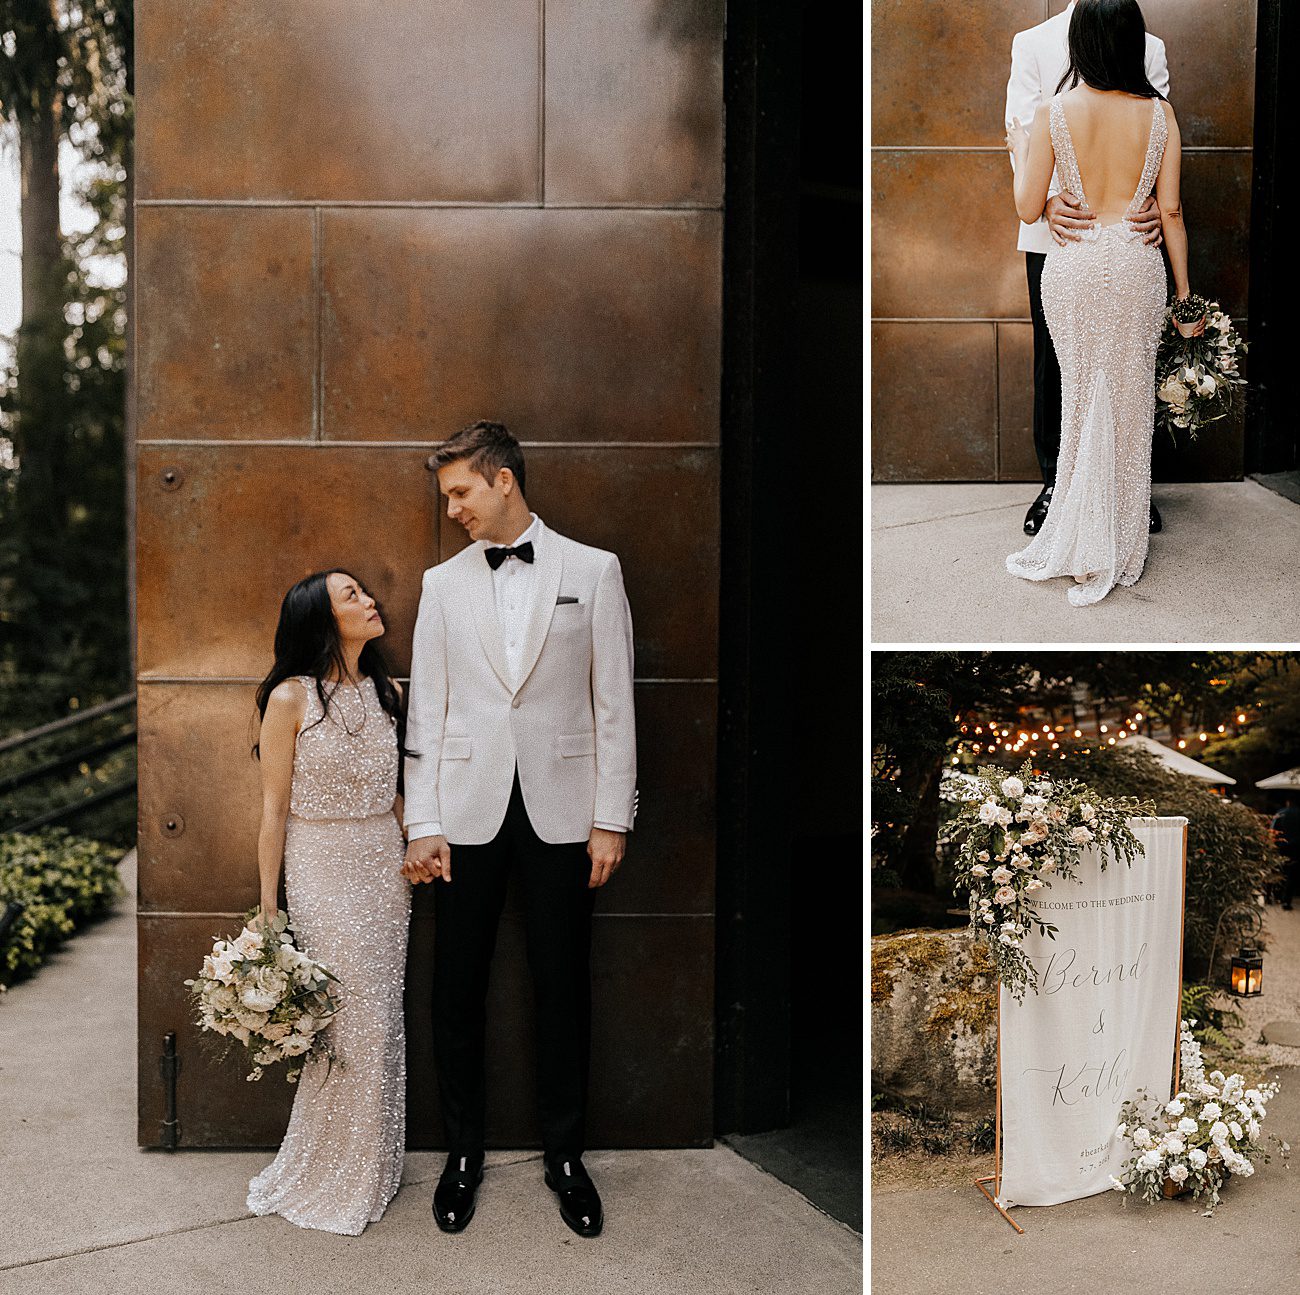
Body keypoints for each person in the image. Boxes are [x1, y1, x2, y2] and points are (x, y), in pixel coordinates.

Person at [402, 420, 637, 1239]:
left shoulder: (595, 571)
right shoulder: (441, 585)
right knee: (456, 989)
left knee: (563, 986)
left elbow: (615, 703)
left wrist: (611, 817)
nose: (454, 508)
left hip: (564, 813)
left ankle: (565, 1157)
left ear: (504, 480)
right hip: (462, 817)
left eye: (461, 491)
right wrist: (422, 819)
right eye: (447, 496)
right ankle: (461, 1154)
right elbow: (426, 706)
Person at [1004, 0, 1202, 607]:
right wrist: (1187, 295)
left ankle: (1078, 524)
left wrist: (1030, 157)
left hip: (1076, 265)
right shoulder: (1162, 114)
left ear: (1082, 43)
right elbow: (1168, 211)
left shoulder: (1056, 111)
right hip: (1138, 266)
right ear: (1134, 42)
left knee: (1079, 393)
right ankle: (1120, 529)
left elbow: (1027, 207)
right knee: (1130, 396)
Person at [245, 570, 411, 1235]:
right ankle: (326, 1166)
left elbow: (396, 789)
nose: (370, 601)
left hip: (384, 869)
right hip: (320, 868)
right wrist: (268, 905)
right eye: (352, 596)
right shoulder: (288, 698)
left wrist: (419, 841)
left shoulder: (388, 691)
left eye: (366, 592)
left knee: (381, 1017)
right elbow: (274, 807)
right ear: (320, 616)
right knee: (343, 1021)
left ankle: (373, 1164)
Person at [1271, 794, 1300, 912]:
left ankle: (1277, 895)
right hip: (1297, 847)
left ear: (1288, 802)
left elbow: (1273, 830)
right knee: (1293, 874)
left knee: (1280, 870)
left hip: (1282, 846)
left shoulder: (1281, 813)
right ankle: (1286, 900)